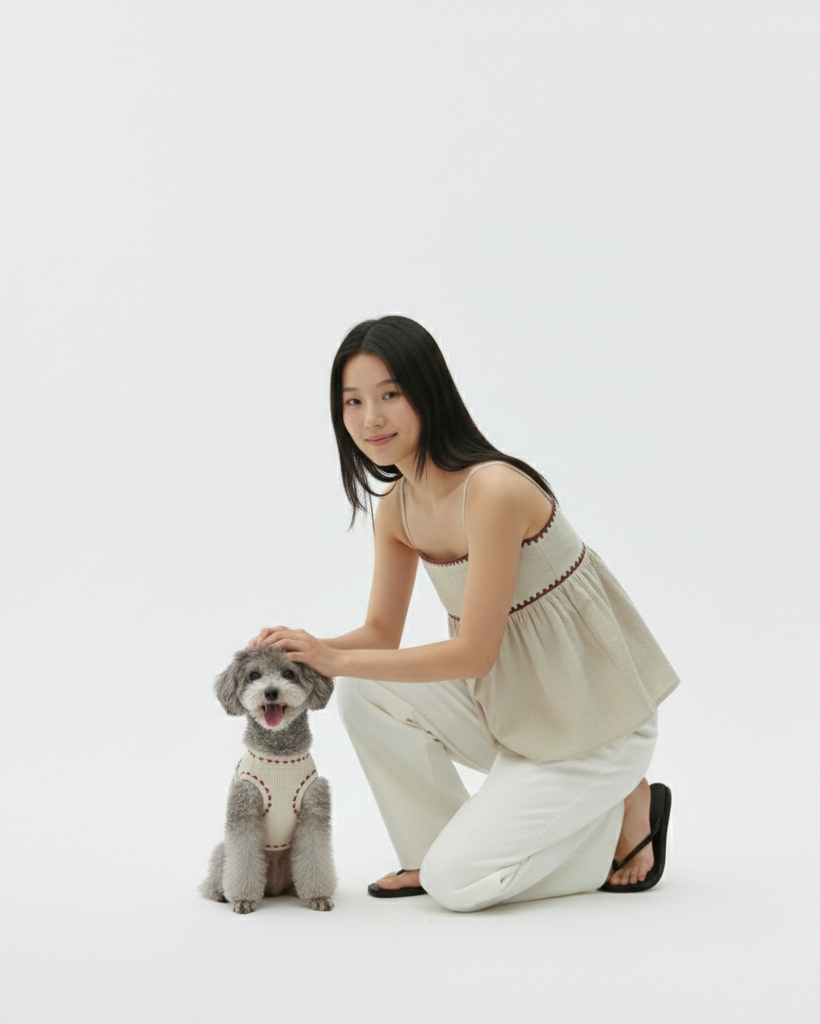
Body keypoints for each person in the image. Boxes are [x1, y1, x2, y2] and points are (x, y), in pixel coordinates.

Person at [249, 315, 679, 912]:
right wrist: (305, 648)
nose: (370, 418)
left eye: (390, 395)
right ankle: (435, 849)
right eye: (353, 401)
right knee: (362, 690)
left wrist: (336, 657)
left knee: (456, 887)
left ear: (429, 393)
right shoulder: (398, 509)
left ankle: (618, 825)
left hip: (594, 726)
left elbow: (476, 651)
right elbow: (380, 635)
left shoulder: (493, 490)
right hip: (515, 712)